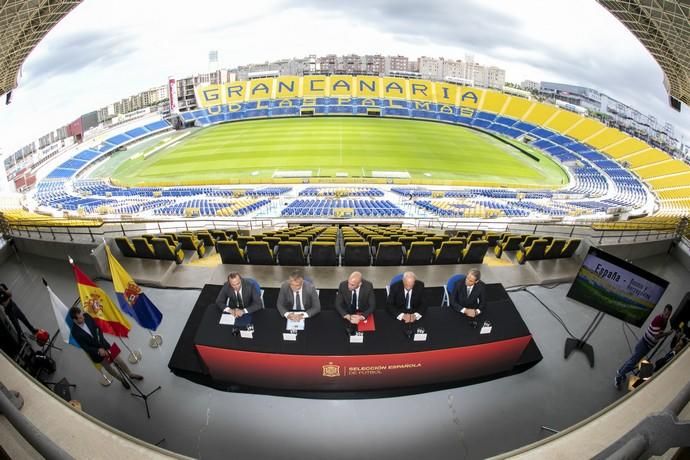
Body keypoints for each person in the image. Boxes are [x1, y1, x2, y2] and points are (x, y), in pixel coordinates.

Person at [68, 307, 143, 389]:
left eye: (82, 314)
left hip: (105, 345)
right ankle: (121, 379)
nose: (83, 317)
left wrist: (102, 345)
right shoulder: (75, 332)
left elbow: (98, 328)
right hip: (97, 354)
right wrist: (98, 350)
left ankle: (130, 374)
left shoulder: (87, 316)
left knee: (119, 360)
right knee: (109, 368)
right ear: (74, 320)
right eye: (80, 317)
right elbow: (84, 347)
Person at [614, 304, 673, 390]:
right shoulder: (659, 319)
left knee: (632, 360)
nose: (667, 316)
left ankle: (620, 371)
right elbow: (657, 336)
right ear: (663, 311)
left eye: (669, 314)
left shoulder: (664, 321)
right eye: (666, 313)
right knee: (632, 362)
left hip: (647, 345)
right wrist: (668, 333)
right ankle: (618, 378)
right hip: (644, 344)